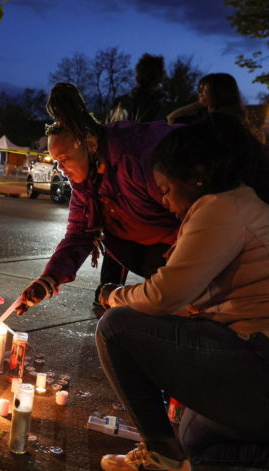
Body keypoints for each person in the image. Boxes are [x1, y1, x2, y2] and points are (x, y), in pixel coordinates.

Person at [94, 114, 269, 471]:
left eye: (165, 189)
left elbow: (166, 296)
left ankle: (161, 464)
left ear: (196, 177)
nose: (163, 201)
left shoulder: (221, 207)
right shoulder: (240, 203)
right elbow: (190, 301)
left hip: (267, 361)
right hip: (265, 368)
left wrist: (114, 295)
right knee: (191, 438)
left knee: (117, 327)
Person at [16, 83, 180, 311]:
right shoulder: (86, 186)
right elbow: (78, 234)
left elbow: (191, 205)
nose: (61, 169)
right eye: (56, 161)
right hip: (146, 250)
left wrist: (188, 245)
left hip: (184, 245)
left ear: (91, 145)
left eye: (64, 158)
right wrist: (49, 280)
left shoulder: (135, 159)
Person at [104, 53, 167, 294]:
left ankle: (108, 289)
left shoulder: (121, 102)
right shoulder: (159, 105)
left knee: (118, 236)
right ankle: (157, 293)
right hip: (142, 178)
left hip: (117, 177)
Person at [166, 73, 246, 125]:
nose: (199, 92)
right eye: (199, 89)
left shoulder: (222, 121)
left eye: (202, 88)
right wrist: (197, 105)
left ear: (219, 91)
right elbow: (171, 118)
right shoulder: (201, 115)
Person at [109, 53, 167, 123]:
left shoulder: (119, 104)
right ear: (160, 78)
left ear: (137, 77)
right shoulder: (159, 107)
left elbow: (107, 130)